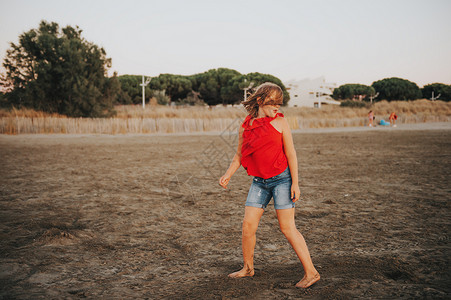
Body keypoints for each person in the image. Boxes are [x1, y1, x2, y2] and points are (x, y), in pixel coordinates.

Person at [219, 82, 320, 289]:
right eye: (273, 102)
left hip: (282, 180)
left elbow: (291, 153)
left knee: (287, 227)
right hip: (259, 182)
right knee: (247, 226)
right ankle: (248, 268)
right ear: (260, 100)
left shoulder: (281, 122)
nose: (277, 107)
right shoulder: (245, 125)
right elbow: (240, 154)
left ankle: (311, 273)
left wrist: (296, 184)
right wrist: (228, 174)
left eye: (280, 103)